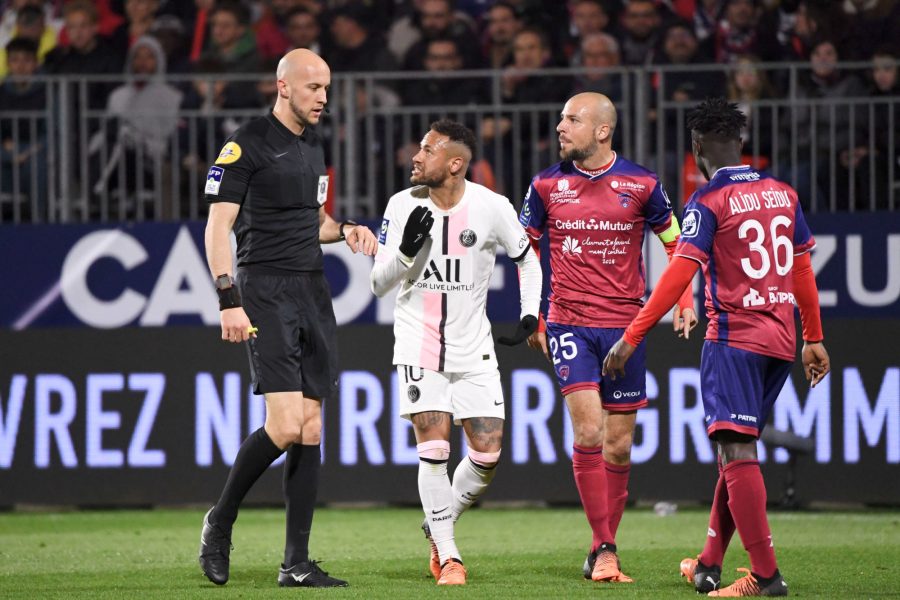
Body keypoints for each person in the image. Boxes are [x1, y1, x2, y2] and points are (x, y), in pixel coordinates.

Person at [603, 97, 831, 596]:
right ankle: (708, 563)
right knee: (736, 453)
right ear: (742, 142)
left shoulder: (708, 201)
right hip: (781, 340)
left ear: (696, 147)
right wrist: (813, 337)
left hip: (733, 339)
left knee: (735, 450)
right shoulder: (782, 193)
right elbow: (801, 270)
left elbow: (679, 272)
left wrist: (632, 335)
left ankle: (766, 575)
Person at [199, 48, 378, 589]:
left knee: (312, 426)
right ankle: (219, 522)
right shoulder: (245, 143)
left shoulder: (313, 144)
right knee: (284, 425)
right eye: (313, 87)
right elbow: (216, 228)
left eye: (326, 88)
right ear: (283, 86)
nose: (323, 97)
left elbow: (313, 220)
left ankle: (295, 564)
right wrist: (229, 299)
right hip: (265, 289)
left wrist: (344, 229)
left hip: (312, 287)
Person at [519, 92, 696, 583]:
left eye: (571, 120)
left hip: (626, 328)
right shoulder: (545, 186)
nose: (560, 127)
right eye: (559, 119)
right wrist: (532, 313)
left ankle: (602, 545)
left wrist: (684, 300)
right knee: (590, 433)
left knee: (618, 447)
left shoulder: (643, 183)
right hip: (568, 321)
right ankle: (605, 548)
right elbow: (525, 252)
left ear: (602, 131)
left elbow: (676, 243)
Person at [370, 118, 542, 586]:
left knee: (487, 454)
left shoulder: (491, 206)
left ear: (455, 163)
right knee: (435, 450)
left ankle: (437, 522)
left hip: (473, 346)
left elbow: (526, 256)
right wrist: (404, 254)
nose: (416, 156)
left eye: (427, 150)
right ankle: (449, 557)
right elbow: (377, 284)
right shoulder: (401, 205)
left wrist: (531, 313)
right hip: (418, 343)